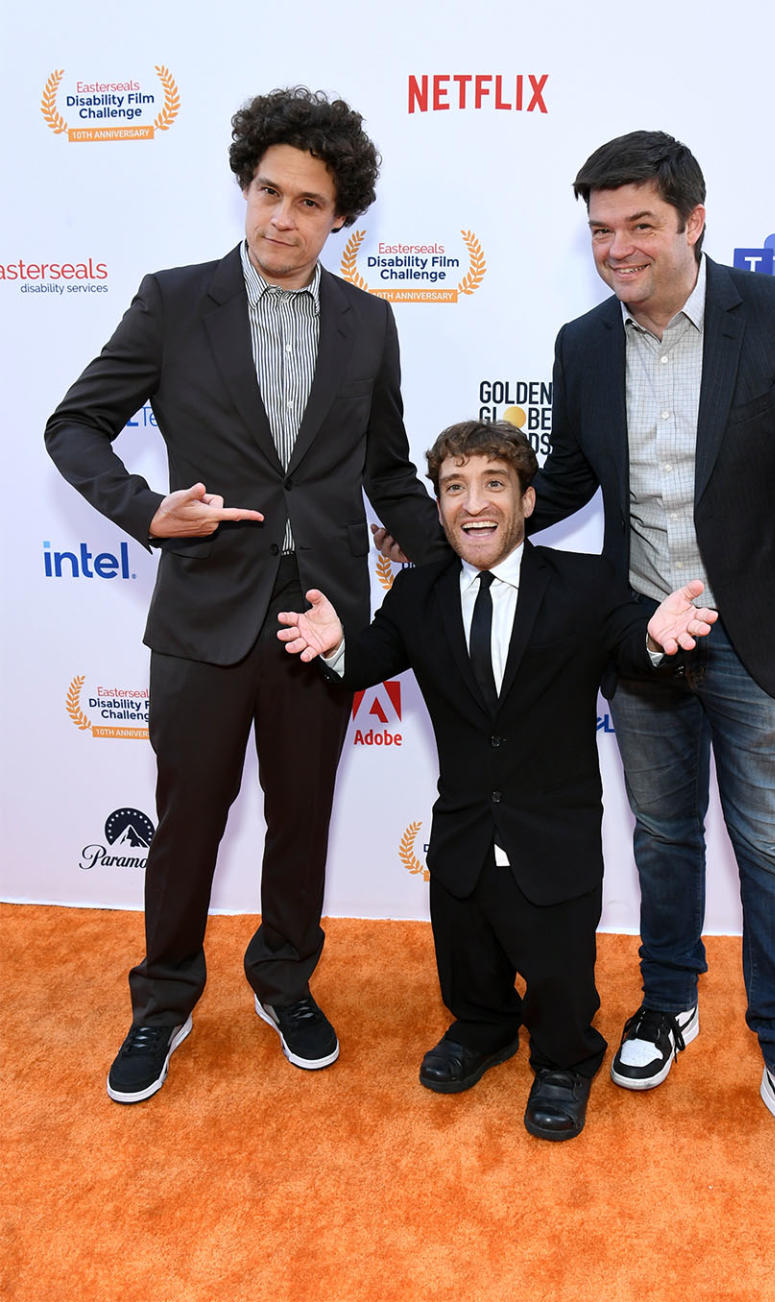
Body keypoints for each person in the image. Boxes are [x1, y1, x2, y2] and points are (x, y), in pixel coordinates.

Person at [526, 131, 775, 1194]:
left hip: (763, 637)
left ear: (694, 221)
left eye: (640, 225)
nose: (618, 248)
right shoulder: (581, 344)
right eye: (601, 230)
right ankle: (670, 997)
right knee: (660, 837)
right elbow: (561, 485)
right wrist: (453, 515)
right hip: (645, 633)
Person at [45, 87, 447, 1105]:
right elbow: (74, 425)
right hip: (202, 617)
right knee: (187, 824)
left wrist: (464, 552)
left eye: (309, 203)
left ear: (340, 218)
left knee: (303, 817)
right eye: (269, 191)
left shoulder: (368, 323)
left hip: (323, 622)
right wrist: (145, 511)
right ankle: (164, 999)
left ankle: (283, 979)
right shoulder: (175, 301)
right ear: (243, 189)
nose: (282, 217)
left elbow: (388, 473)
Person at [278, 420, 717, 1141]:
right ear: (438, 505)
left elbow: (629, 641)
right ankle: (483, 1030)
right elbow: (370, 658)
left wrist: (653, 636)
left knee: (559, 972)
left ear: (527, 501)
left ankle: (565, 1060)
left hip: (554, 833)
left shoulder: (581, 583)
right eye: (454, 488)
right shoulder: (417, 593)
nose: (472, 503)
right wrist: (335, 649)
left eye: (492, 485)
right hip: (462, 830)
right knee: (467, 957)